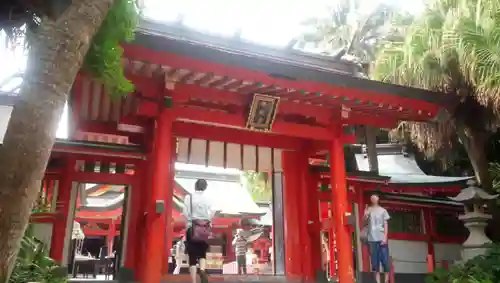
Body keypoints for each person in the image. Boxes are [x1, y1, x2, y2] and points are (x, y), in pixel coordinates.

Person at [183, 179, 216, 283]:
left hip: (192, 227)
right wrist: (207, 219)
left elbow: (185, 212)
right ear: (205, 187)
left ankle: (194, 281)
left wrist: (190, 220)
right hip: (204, 228)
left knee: (192, 256)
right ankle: (202, 270)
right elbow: (213, 210)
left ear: (195, 186)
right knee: (202, 253)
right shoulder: (209, 198)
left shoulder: (189, 197)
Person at [364, 194, 390, 283]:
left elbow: (386, 224)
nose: (373, 199)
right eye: (371, 197)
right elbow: (364, 222)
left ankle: (386, 280)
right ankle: (378, 282)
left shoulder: (383, 210)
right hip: (372, 238)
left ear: (378, 198)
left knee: (385, 261)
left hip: (381, 238)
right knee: (375, 262)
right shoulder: (368, 209)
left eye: (375, 197)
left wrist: (385, 237)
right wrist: (365, 215)